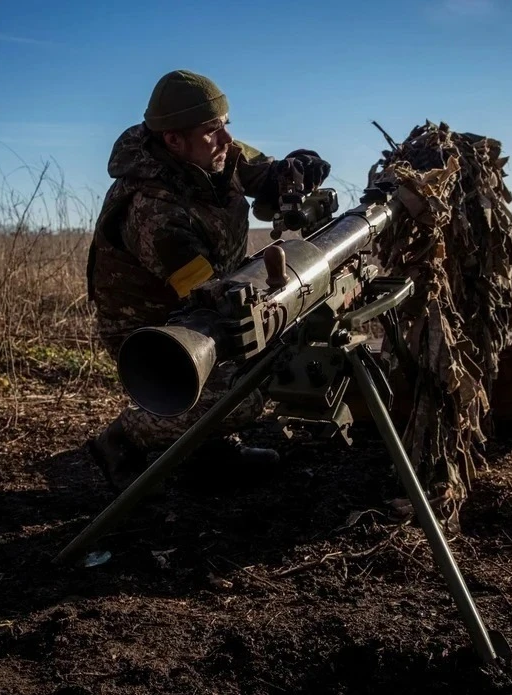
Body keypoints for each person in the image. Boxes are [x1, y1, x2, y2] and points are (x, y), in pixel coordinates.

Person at [85, 69, 331, 491]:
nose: (227, 141)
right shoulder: (151, 210)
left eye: (225, 127)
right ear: (173, 140)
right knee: (246, 391)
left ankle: (204, 450)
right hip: (156, 328)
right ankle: (124, 437)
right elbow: (205, 294)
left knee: (271, 350)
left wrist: (295, 169)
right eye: (211, 132)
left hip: (212, 297)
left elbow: (261, 171)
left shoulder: (215, 152)